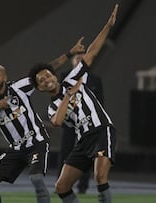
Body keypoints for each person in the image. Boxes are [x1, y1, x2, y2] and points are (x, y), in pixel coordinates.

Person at [0, 38, 85, 203]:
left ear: (5, 77)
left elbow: (47, 71)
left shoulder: (19, 87)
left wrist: (70, 53)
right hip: (16, 149)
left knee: (37, 180)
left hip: (36, 143)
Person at [28, 4, 118, 203]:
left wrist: (108, 26)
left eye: (47, 75)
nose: (46, 80)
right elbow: (58, 121)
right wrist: (69, 95)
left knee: (100, 177)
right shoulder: (53, 106)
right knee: (61, 186)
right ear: (41, 89)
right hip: (83, 140)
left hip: (101, 130)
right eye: (41, 81)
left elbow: (92, 52)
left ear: (54, 75)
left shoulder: (72, 77)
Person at [57, 52, 104, 194]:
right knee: (65, 152)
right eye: (77, 58)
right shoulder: (64, 77)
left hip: (88, 125)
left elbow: (100, 103)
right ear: (72, 62)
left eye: (83, 58)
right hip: (70, 122)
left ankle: (82, 187)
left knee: (87, 154)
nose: (80, 61)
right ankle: (62, 184)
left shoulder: (96, 80)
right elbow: (57, 98)